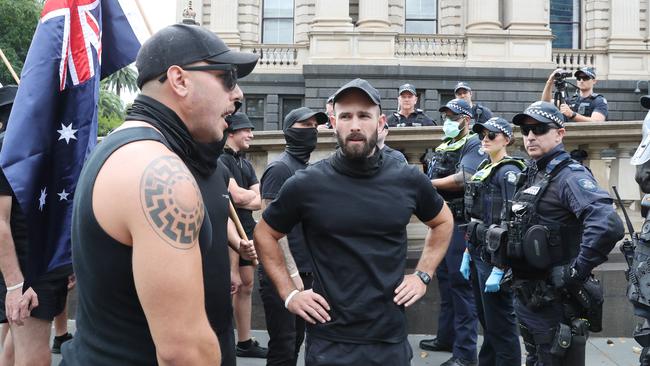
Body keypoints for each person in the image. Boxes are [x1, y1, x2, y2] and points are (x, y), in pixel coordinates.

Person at [61, 24, 258, 365]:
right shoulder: (159, 172)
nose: (237, 93)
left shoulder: (127, 147)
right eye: (227, 77)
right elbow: (185, 352)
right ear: (180, 80)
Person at [254, 78, 454, 365]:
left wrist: (423, 275)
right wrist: (289, 294)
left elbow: (444, 221)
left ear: (381, 121)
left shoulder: (407, 179)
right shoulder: (307, 183)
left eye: (364, 115)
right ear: (334, 122)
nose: (355, 125)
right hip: (329, 342)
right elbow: (264, 234)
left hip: (389, 341)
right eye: (346, 116)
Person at [508, 101, 624, 365]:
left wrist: (576, 270)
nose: (530, 136)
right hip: (528, 297)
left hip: (553, 301)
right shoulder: (532, 173)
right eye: (525, 131)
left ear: (560, 133)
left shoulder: (569, 176)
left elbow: (608, 223)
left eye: (539, 129)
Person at [0, 83, 73, 366]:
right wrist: (16, 282)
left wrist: (66, 262)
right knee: (33, 357)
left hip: (44, 263)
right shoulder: (9, 149)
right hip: (26, 269)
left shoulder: (45, 144)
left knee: (12, 343)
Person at [258, 106, 327, 366]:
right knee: (283, 347)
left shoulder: (305, 168)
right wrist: (293, 274)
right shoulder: (279, 169)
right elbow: (268, 228)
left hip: (305, 273)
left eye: (314, 126)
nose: (311, 130)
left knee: (296, 342)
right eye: (304, 126)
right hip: (283, 276)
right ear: (289, 132)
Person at [420, 98, 483, 366]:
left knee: (461, 288)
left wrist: (426, 182)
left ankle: (465, 355)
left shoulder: (474, 143)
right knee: (445, 284)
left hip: (461, 225)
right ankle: (446, 337)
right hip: (443, 224)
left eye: (452, 117)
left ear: (466, 120)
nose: (447, 121)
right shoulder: (445, 145)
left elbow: (464, 178)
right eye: (445, 116)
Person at [462, 117, 524, 366]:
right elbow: (477, 215)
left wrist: (501, 266)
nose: (485, 139)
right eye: (482, 135)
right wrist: (468, 250)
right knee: (488, 323)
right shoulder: (485, 168)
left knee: (501, 325)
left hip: (494, 257)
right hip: (479, 251)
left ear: (506, 139)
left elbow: (513, 219)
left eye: (492, 135)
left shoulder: (509, 171)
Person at [218, 112, 268, 358]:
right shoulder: (221, 160)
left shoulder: (246, 164)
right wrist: (245, 197)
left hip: (247, 228)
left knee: (247, 285)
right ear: (231, 133)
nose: (251, 134)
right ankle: (222, 341)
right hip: (228, 232)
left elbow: (259, 201)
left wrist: (244, 197)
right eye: (246, 130)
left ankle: (245, 342)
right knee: (231, 284)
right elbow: (236, 198)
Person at [541, 67, 608, 122]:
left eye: (585, 78)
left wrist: (572, 114)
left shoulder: (599, 100)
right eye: (579, 78)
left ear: (594, 81)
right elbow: (545, 103)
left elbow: (597, 122)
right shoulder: (570, 100)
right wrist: (550, 82)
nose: (581, 81)